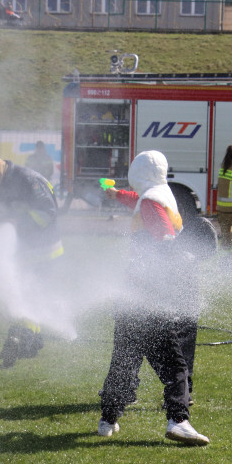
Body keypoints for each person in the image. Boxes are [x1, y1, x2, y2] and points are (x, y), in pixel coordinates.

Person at [97, 150, 210, 446]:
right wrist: (184, 253)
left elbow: (136, 200)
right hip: (151, 297)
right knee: (174, 364)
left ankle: (107, 418)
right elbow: (164, 239)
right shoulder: (159, 198)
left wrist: (115, 193)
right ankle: (179, 420)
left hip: (132, 294)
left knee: (125, 358)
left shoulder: (150, 198)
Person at [0, 154, 63, 366]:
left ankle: (19, 337)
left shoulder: (29, 180)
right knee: (30, 294)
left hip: (44, 249)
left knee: (29, 295)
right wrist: (3, 222)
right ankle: (32, 340)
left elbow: (47, 212)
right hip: (23, 251)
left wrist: (19, 221)